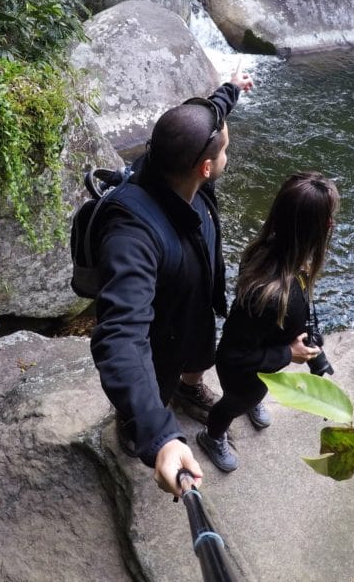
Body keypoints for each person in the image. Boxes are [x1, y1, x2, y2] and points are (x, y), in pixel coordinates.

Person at [90, 69, 254, 497]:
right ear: (206, 166)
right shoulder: (130, 233)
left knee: (201, 346)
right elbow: (120, 336)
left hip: (193, 297)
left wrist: (232, 89)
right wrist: (158, 435)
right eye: (225, 152)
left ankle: (189, 388)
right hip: (158, 326)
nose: (226, 156)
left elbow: (209, 115)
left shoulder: (173, 160)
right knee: (157, 373)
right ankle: (136, 423)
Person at [197, 172, 339, 472]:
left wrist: (314, 350)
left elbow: (294, 320)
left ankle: (251, 401)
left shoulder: (278, 252)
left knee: (253, 394)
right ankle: (211, 436)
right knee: (233, 404)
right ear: (315, 229)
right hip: (243, 371)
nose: (332, 224)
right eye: (329, 220)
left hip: (261, 363)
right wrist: (290, 354)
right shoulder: (271, 293)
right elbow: (235, 355)